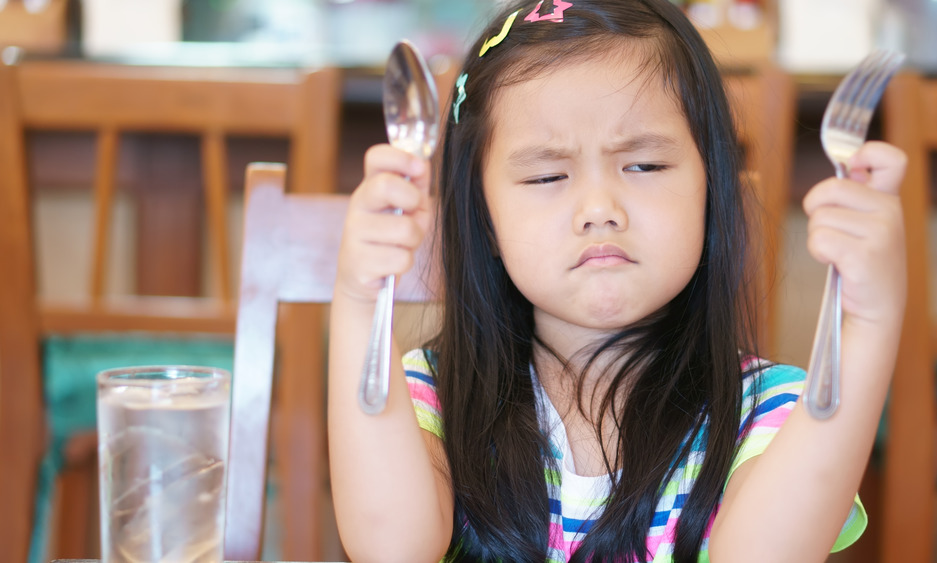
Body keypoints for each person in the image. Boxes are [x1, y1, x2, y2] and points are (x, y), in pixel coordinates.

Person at [327, 0, 907, 561]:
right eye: (548, 175)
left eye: (644, 165)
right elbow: (390, 547)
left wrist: (871, 323)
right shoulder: (431, 396)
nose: (599, 207)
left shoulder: (770, 410)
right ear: (482, 212)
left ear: (712, 186)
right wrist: (357, 302)